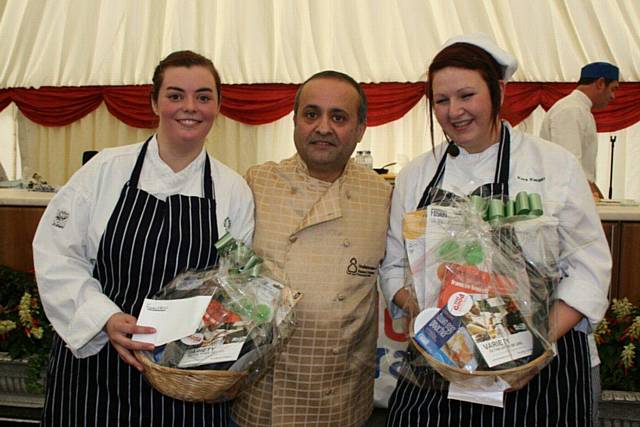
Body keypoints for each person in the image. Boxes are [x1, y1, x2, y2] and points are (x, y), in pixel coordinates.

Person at [380, 33, 611, 426]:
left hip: (542, 362)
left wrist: (529, 349)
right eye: (441, 100)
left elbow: (589, 272)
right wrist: (441, 327)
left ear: (499, 91)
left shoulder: (554, 165)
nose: (454, 111)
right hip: (442, 360)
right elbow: (394, 268)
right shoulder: (416, 175)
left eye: (467, 95)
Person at [33, 50, 254, 426]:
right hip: (98, 371)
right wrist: (105, 317)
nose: (190, 107)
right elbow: (56, 255)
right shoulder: (104, 170)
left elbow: (235, 284)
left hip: (185, 378)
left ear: (218, 105)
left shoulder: (233, 190)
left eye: (203, 96)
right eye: (175, 95)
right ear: (154, 102)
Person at [230, 70, 392, 426]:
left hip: (340, 390)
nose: (322, 127)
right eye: (311, 114)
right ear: (294, 121)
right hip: (265, 389)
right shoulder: (257, 181)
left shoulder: (381, 194)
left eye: (338, 117)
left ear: (361, 129)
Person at [539, 61, 619, 199]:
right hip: (565, 201)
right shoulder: (571, 110)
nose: (613, 96)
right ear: (600, 83)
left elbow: (582, 171)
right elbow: (569, 166)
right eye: (613, 89)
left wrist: (599, 196)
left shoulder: (579, 109)